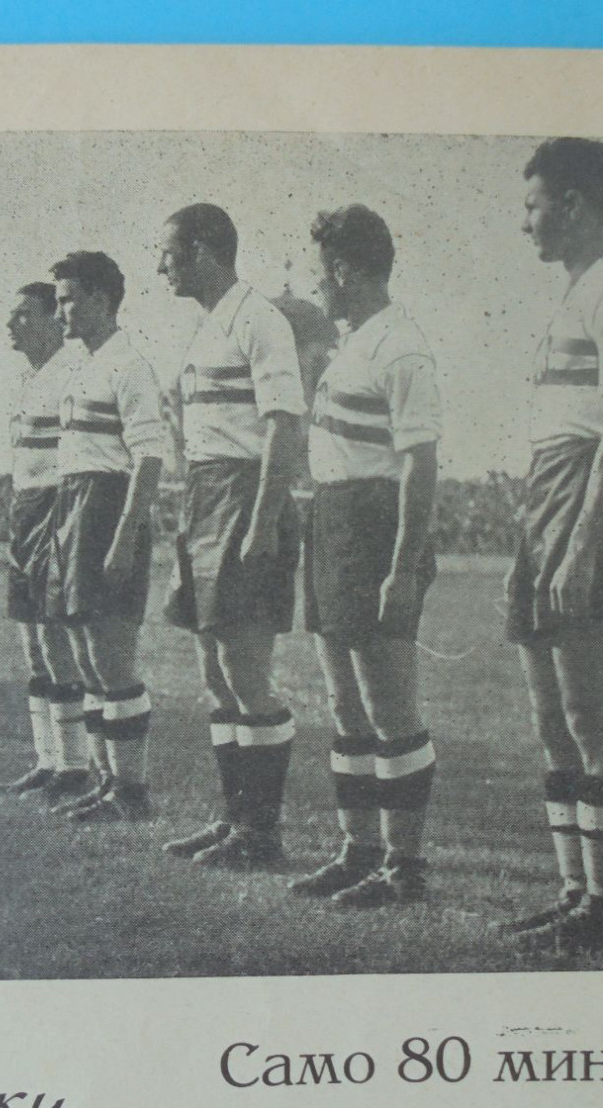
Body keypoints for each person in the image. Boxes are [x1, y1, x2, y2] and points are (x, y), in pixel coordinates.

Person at [500, 138, 603, 953]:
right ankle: (575, 894)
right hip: (546, 498)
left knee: (593, 713)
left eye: (532, 204)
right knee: (550, 717)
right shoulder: (572, 294)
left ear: (571, 205)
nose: (524, 220)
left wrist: (580, 547)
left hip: (595, 508)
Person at [287, 204, 442, 906]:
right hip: (331, 519)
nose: (319, 288)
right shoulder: (352, 344)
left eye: (322, 273)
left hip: (375, 524)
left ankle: (405, 868)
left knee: (388, 706)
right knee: (343, 701)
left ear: (345, 272)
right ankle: (358, 850)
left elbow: (419, 465)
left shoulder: (400, 346)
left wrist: (405, 566)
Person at [156, 203, 306, 867]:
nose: (162, 266)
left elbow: (283, 426)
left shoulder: (260, 319)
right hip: (205, 499)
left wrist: (265, 519)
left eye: (171, 253)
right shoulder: (204, 329)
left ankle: (262, 834)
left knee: (247, 672)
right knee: (214, 673)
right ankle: (233, 820)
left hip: (246, 497)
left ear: (207, 253)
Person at [45, 251, 167, 823]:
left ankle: (133, 791)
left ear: (99, 299)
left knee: (111, 657)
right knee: (85, 657)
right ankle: (105, 780)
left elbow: (148, 459)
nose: (61, 310)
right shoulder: (81, 367)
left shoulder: (129, 366)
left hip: (108, 506)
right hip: (73, 506)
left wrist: (124, 537)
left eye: (69, 298)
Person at [0, 283, 91, 804]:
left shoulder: (73, 374)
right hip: (25, 509)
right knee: (31, 641)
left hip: (57, 506)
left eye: (23, 315)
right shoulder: (26, 380)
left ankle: (75, 767)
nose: (12, 325)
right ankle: (46, 761)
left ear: (53, 318)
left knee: (55, 639)